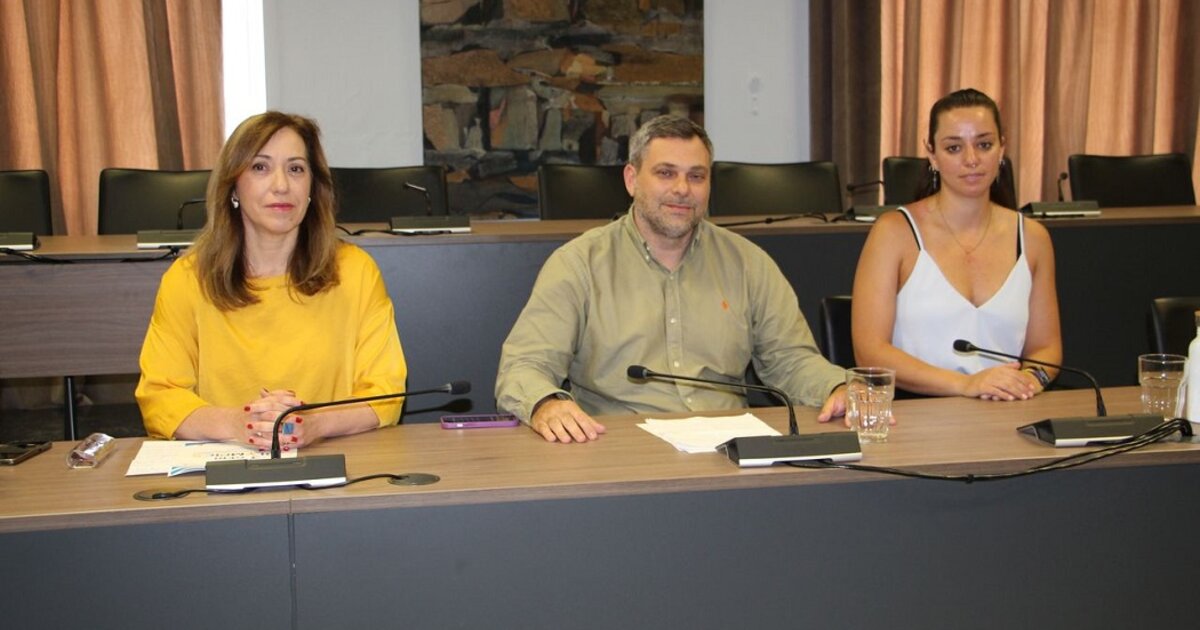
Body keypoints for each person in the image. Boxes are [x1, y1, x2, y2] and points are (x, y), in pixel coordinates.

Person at [495, 114, 848, 443]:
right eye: (666, 173)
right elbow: (524, 366)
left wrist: (838, 387)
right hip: (620, 448)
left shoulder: (748, 264)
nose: (682, 189)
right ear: (632, 180)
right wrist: (546, 403)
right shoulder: (579, 264)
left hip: (729, 450)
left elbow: (791, 360)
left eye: (696, 176)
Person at [136, 112, 406, 448]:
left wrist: (314, 424)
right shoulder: (188, 279)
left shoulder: (355, 271)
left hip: (332, 457)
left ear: (313, 187)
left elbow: (386, 393)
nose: (281, 185)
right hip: (224, 458)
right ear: (233, 186)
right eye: (260, 167)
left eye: (296, 169)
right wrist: (239, 424)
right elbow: (160, 396)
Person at [851, 88, 1062, 400]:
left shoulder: (1033, 238)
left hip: (1007, 410)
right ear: (932, 154)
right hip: (915, 414)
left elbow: (1047, 348)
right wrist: (965, 385)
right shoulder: (893, 233)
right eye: (954, 148)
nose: (972, 160)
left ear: (1002, 149)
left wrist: (1026, 382)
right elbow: (870, 352)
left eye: (984, 144)